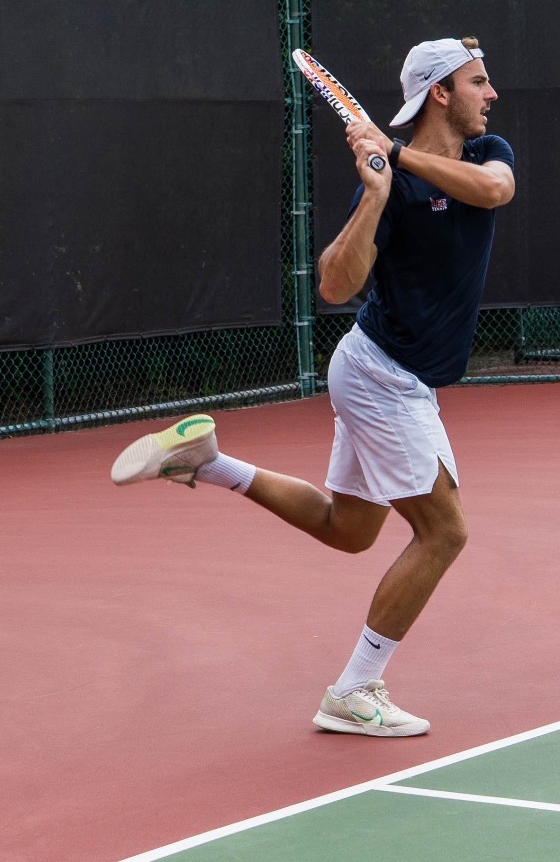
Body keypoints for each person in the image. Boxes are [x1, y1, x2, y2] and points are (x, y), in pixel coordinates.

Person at [110, 37, 513, 737]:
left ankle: (207, 462)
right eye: (479, 82)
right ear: (441, 93)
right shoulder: (387, 185)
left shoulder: (486, 154)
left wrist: (401, 156)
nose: (493, 93)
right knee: (444, 532)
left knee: (350, 530)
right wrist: (377, 194)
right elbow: (333, 283)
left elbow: (496, 193)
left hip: (389, 373)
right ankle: (355, 691)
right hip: (383, 372)